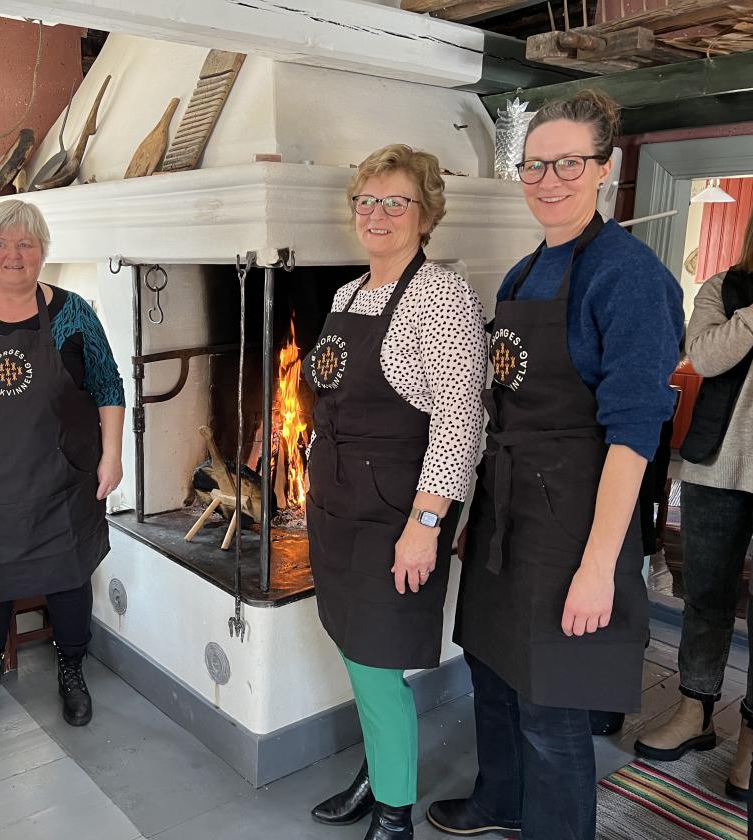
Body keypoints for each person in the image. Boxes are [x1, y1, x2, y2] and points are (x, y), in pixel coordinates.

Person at [427, 90, 683, 840]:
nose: (548, 180)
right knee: (490, 668)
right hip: (507, 507)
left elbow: (634, 435)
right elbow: (503, 408)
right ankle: (500, 801)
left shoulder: (628, 278)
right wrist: (477, 514)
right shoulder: (523, 273)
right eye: (535, 165)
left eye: (568, 163)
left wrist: (600, 567)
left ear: (603, 168)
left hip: (576, 520)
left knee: (551, 708)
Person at [304, 144, 486, 840]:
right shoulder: (346, 295)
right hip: (337, 506)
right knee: (356, 650)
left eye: (395, 202)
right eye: (366, 201)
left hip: (396, 514)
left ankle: (393, 815)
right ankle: (380, 771)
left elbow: (459, 421)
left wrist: (426, 524)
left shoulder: (441, 296)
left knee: (376, 661)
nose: (376, 214)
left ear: (426, 213)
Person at [0, 199, 125, 734]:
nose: (13, 255)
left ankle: (72, 671)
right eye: (0, 243)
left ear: (43, 250)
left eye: (26, 243)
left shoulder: (72, 312)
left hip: (60, 480)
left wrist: (112, 456)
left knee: (68, 582)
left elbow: (108, 385)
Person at [634, 210, 753, 802]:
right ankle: (695, 710)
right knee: (705, 594)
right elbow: (702, 357)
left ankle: (752, 738)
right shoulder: (724, 288)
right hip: (714, 468)